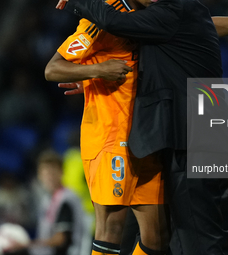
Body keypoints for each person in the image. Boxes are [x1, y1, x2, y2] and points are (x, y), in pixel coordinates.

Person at [54, 0, 228, 253]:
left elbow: (117, 22)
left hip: (189, 143)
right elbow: (54, 67)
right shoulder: (178, 15)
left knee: (197, 239)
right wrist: (94, 73)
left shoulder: (165, 14)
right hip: (162, 141)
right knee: (172, 236)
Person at [45, 0, 169, 254]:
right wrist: (98, 70)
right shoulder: (101, 18)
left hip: (146, 135)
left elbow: (199, 27)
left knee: (158, 235)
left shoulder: (152, 14)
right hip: (111, 137)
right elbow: (52, 69)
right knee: (112, 229)